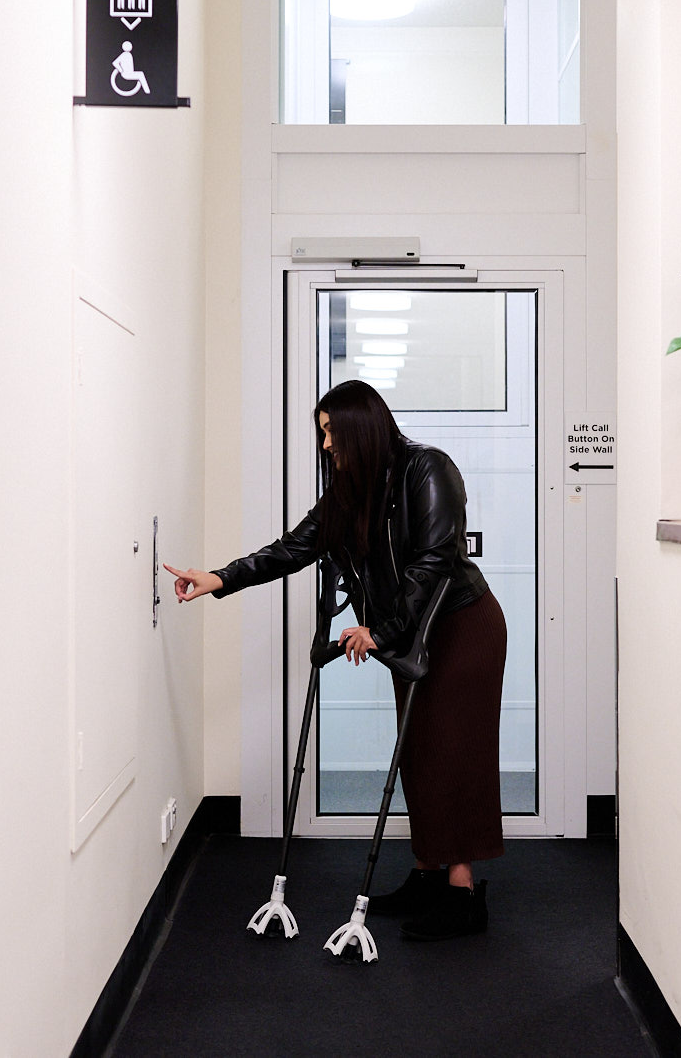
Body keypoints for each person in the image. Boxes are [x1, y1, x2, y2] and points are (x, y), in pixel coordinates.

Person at [164, 380, 506, 941]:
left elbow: (433, 563)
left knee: (455, 751)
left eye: (330, 432)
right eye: (321, 433)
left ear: (359, 429)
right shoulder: (351, 491)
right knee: (417, 751)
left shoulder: (428, 469)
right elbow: (294, 547)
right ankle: (427, 872)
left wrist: (384, 631)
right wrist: (219, 578)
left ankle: (462, 893)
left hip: (460, 626)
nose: (324, 444)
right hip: (408, 631)